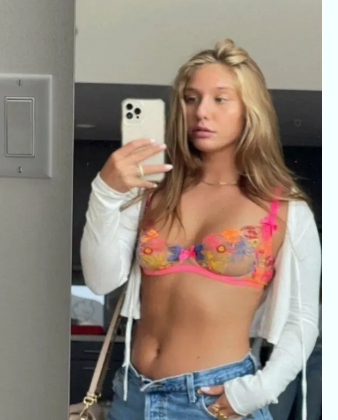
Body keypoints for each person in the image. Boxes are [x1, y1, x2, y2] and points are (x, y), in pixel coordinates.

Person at [80, 39, 321, 420]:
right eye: (191, 99)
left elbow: (303, 318)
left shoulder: (285, 209)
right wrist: (105, 193)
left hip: (214, 401)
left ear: (250, 110)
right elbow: (100, 280)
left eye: (220, 99)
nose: (201, 112)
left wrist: (257, 392)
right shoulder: (150, 194)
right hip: (133, 396)